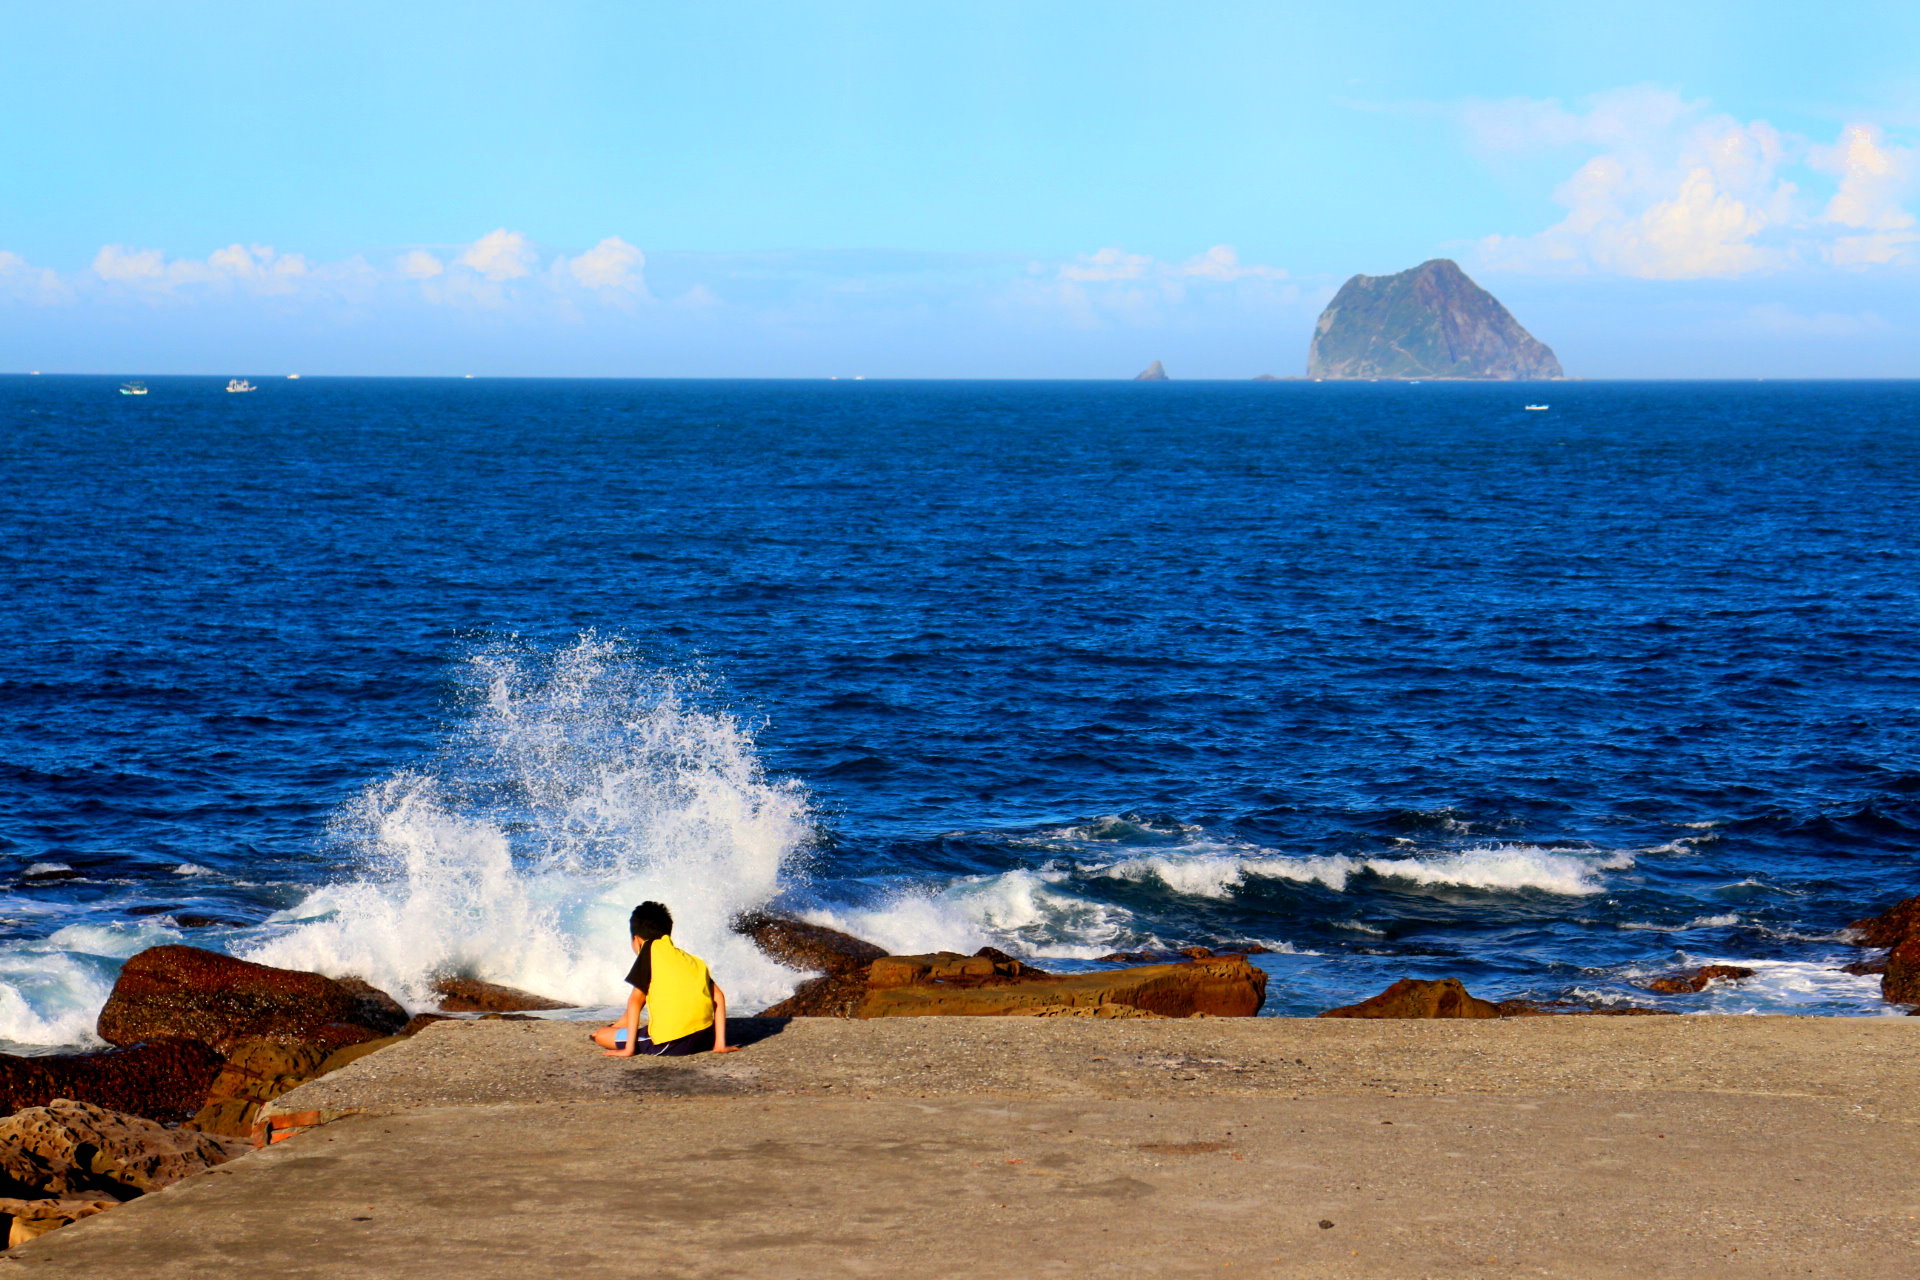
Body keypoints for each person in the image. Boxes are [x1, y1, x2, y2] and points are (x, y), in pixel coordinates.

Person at [591, 901, 739, 1057]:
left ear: (637, 940)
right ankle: (619, 1025)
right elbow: (719, 996)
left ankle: (617, 1032)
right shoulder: (691, 960)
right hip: (705, 1038)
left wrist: (628, 1049)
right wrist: (719, 1044)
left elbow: (635, 1001)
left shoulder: (648, 950)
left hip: (671, 1043)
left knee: (601, 1036)